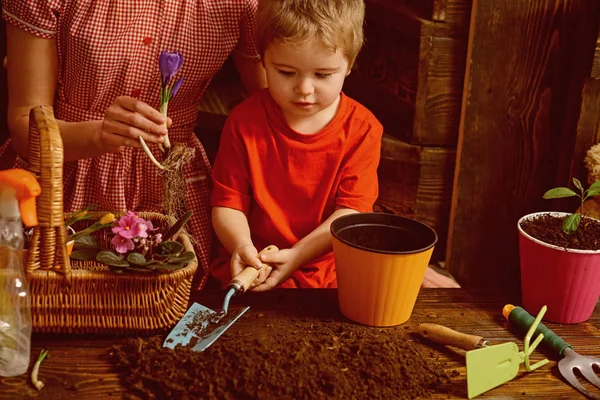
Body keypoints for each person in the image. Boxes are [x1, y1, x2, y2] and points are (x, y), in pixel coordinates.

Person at [1, 1, 267, 290]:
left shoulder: (242, 4)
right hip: (60, 182)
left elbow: (281, 107)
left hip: (173, 185)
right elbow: (23, 127)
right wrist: (98, 136)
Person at [209, 0, 460, 290]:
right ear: (263, 60)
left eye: (323, 75)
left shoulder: (362, 129)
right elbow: (228, 203)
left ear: (350, 65)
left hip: (325, 271)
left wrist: (297, 256)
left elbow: (350, 213)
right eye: (286, 72)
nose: (304, 89)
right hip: (251, 268)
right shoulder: (244, 121)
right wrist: (241, 246)